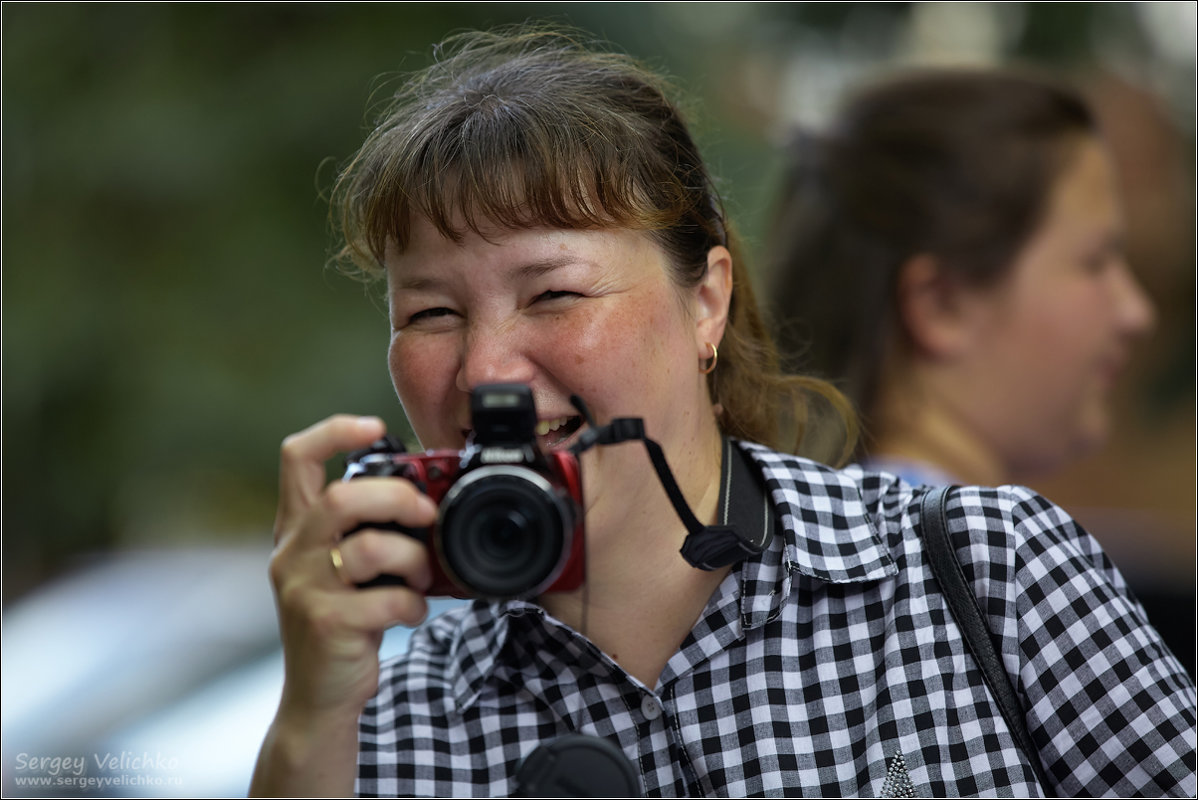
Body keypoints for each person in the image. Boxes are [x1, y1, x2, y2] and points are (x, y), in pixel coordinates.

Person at [250, 27, 1195, 797]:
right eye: (432, 313)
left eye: (555, 295)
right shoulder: (378, 723)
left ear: (706, 302)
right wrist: (311, 722)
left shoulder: (985, 575)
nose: (487, 368)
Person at [763, 68, 1157, 489]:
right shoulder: (961, 549)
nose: (1137, 313)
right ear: (941, 304)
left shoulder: (826, 531)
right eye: (1095, 262)